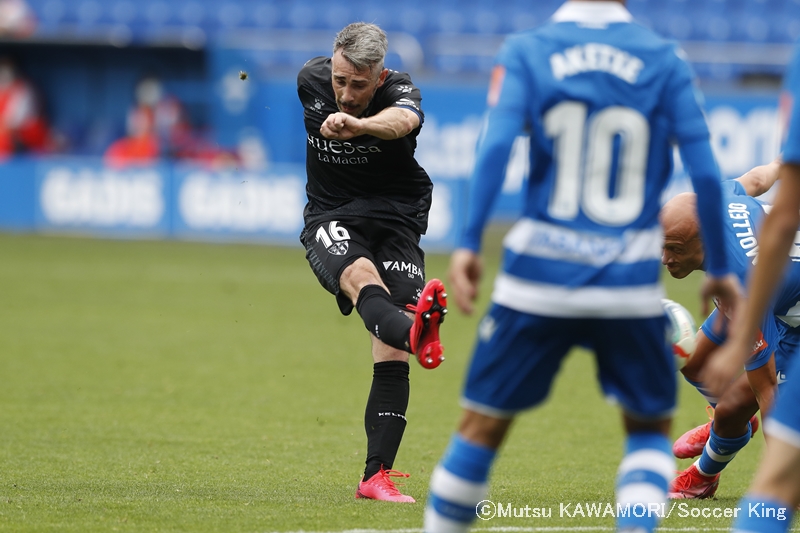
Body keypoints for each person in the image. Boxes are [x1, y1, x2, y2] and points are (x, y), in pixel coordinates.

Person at [423, 1, 742, 532]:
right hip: (628, 281)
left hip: (537, 276)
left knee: (479, 428)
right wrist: (721, 266)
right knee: (646, 432)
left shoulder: (526, 50)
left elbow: (496, 144)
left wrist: (470, 243)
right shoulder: (665, 58)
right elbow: (705, 168)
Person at [296, 22, 448, 503]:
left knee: (392, 354)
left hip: (397, 218)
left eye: (359, 84)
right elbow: (328, 87)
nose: (345, 92)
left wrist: (360, 126)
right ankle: (416, 331)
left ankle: (375, 478)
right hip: (332, 215)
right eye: (340, 80)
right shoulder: (310, 80)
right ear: (332, 64)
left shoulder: (401, 91)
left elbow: (402, 122)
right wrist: (347, 112)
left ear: (379, 77)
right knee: (362, 281)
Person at [703, 41, 800, 533]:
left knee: (759, 399)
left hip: (778, 297)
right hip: (780, 300)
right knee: (703, 364)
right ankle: (713, 445)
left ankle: (711, 458)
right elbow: (763, 176)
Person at [659, 158, 799, 499]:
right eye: (662, 246)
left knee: (738, 403)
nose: (665, 259)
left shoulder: (745, 284)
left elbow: (767, 392)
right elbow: (756, 177)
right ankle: (730, 425)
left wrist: (778, 483)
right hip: (770, 296)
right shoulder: (715, 199)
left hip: (788, 320)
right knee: (693, 361)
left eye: (675, 249)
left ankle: (702, 478)